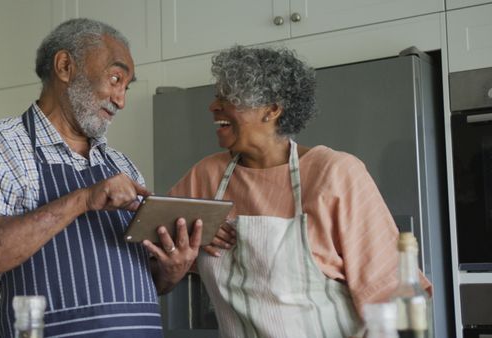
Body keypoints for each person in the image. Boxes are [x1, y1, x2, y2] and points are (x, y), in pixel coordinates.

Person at [0, 18, 201, 338]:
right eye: (114, 78)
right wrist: (83, 199)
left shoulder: (121, 164)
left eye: (126, 86)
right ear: (65, 66)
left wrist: (171, 270)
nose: (121, 100)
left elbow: (144, 280)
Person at [169, 45, 432, 337]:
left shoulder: (334, 173)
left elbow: (389, 293)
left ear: (272, 109)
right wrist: (191, 232)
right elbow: (150, 244)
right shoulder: (207, 175)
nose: (213, 106)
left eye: (228, 97)